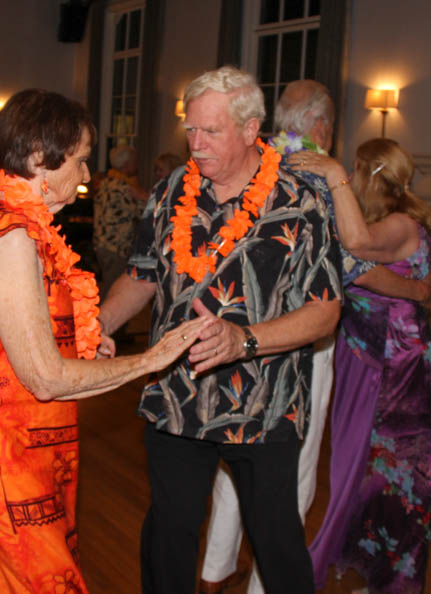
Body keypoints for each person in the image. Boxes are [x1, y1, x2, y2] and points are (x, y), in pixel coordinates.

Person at [0, 89, 207, 593]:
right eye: (78, 161)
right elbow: (46, 377)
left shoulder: (12, 220)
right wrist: (153, 360)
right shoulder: (10, 235)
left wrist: (77, 342)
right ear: (38, 158)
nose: (83, 177)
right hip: (1, 452)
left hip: (16, 444)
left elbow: (12, 340)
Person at [97, 66, 341, 594]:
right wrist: (100, 322)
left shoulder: (302, 201)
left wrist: (243, 340)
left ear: (252, 129)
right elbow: (142, 275)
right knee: (170, 528)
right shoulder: (169, 193)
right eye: (191, 130)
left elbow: (325, 311)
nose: (197, 144)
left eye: (211, 131)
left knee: (275, 539)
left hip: (263, 401)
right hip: (176, 395)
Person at [198, 79, 431, 594]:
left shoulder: (246, 165)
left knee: (235, 456)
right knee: (293, 468)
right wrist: (416, 288)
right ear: (322, 127)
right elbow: (354, 266)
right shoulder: (321, 179)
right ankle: (266, 585)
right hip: (301, 340)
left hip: (236, 334)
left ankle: (214, 571)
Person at [294, 138, 431, 593]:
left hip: (395, 362)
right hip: (364, 354)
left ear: (368, 175)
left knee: (394, 471)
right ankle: (375, 567)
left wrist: (332, 172)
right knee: (357, 466)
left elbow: (352, 249)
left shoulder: (399, 223)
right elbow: (351, 258)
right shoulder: (378, 223)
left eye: (354, 173)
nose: (350, 182)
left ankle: (395, 580)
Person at [93, 144, 148, 295]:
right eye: (134, 161)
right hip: (115, 248)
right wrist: (145, 197)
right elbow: (144, 213)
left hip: (102, 245)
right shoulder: (124, 187)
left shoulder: (105, 182)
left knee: (109, 288)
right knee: (113, 294)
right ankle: (101, 319)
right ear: (126, 164)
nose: (137, 165)